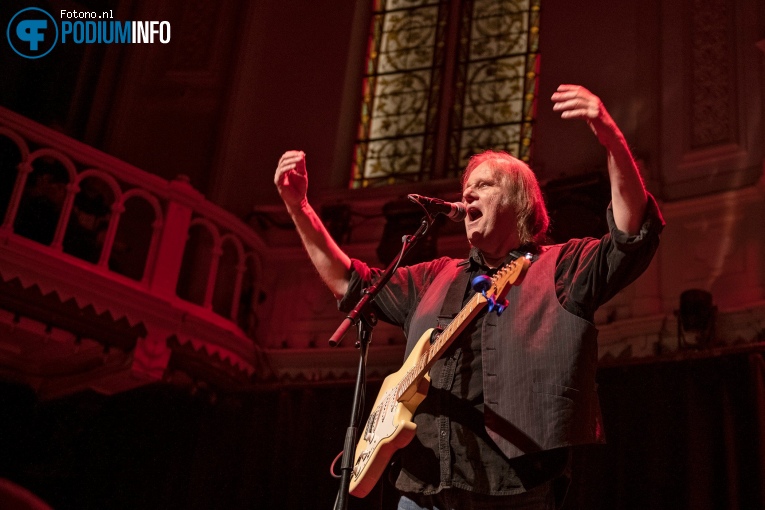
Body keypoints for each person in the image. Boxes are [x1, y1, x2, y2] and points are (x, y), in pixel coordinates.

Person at [274, 84, 664, 509]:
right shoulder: (433, 277)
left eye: (485, 185)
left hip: (512, 491)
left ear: (520, 202)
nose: (468, 194)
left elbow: (630, 234)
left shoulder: (561, 267)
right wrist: (299, 207)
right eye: (466, 187)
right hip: (422, 491)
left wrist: (610, 138)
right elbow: (350, 283)